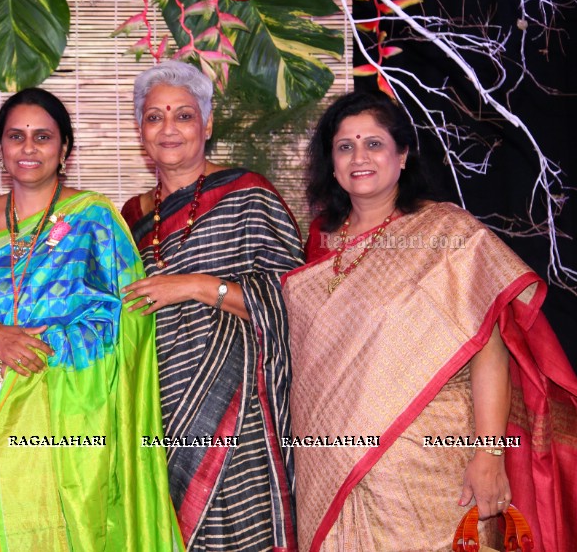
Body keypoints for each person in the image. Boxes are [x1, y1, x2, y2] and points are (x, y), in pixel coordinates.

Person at [282, 91, 577, 551]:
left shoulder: (447, 233)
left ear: (402, 156)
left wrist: (490, 454)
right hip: (334, 472)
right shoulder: (318, 246)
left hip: (428, 467)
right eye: (345, 147)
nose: (359, 157)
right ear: (332, 164)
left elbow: (488, 353)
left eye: (374, 144)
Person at [0, 88, 180, 550]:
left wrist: (50, 346)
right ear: (1, 148)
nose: (28, 148)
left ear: (64, 149)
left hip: (69, 418)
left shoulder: (95, 218)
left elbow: (127, 321)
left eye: (43, 137)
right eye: (16, 136)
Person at [119, 61, 303, 551]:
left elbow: (296, 300)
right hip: (156, 398)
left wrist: (196, 286)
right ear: (141, 131)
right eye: (154, 117)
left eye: (182, 114)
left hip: (237, 402)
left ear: (207, 123)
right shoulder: (131, 216)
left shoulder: (249, 194)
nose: (169, 128)